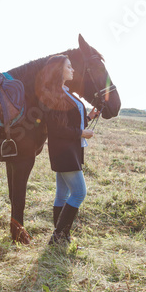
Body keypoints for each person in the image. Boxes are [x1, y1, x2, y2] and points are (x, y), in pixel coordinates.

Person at [36, 54, 99, 245]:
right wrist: (81, 132)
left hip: (69, 149)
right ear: (58, 71)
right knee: (79, 193)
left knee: (62, 194)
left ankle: (62, 236)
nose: (73, 70)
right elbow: (56, 129)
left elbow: (68, 121)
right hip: (64, 151)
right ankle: (58, 236)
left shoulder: (65, 91)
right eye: (69, 66)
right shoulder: (54, 96)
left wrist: (88, 117)